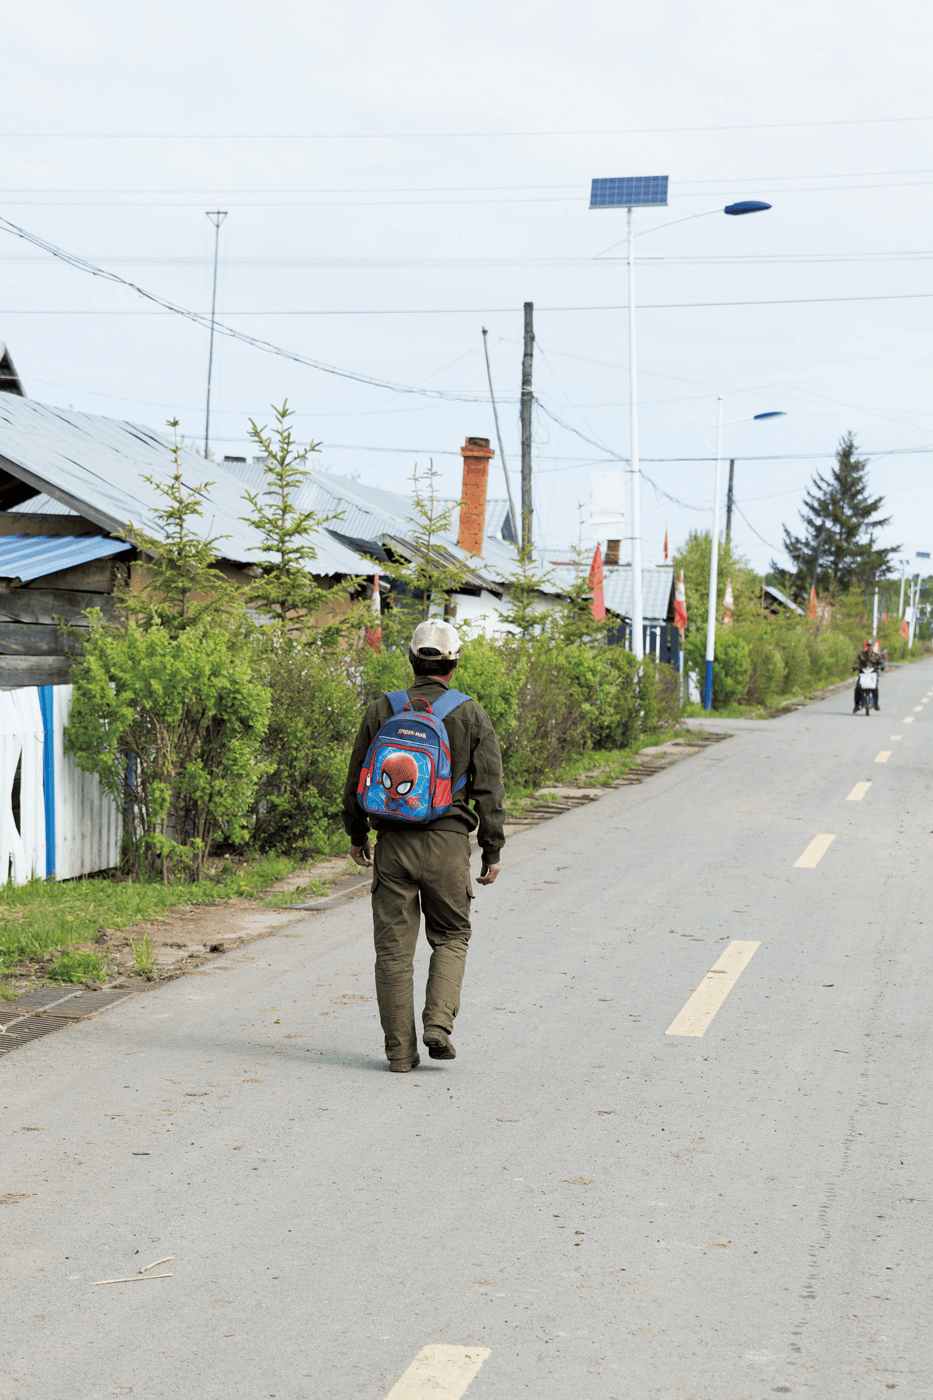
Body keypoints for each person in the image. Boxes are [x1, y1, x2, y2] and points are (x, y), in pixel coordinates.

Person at [342, 619, 505, 1072]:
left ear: (413, 660)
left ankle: (399, 1054)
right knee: (451, 935)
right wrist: (491, 851)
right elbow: (490, 790)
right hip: (448, 844)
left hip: (393, 842)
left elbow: (357, 779)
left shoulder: (382, 710)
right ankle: (438, 1023)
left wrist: (357, 836)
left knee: (393, 951)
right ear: (454, 663)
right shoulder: (471, 714)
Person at [852, 638, 884, 712]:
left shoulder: (876, 655)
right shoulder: (861, 654)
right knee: (857, 688)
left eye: (871, 645)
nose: (870, 647)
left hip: (873, 675)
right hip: (863, 675)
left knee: (875, 688)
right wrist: (855, 666)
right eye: (868, 645)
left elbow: (881, 663)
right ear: (866, 646)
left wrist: (882, 667)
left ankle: (876, 704)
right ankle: (856, 705)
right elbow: (856, 662)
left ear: (873, 646)